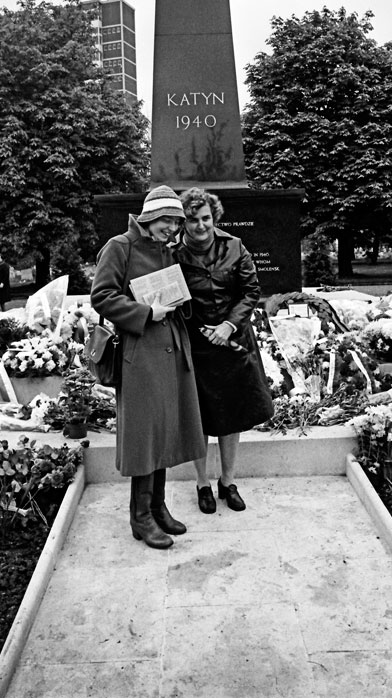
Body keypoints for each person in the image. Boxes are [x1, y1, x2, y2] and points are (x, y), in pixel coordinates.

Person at [90, 186, 206, 549]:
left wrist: (177, 300)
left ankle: (158, 507)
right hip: (140, 355)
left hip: (170, 350)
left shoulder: (165, 251)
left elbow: (170, 296)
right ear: (149, 217)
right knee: (145, 435)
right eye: (167, 220)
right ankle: (140, 518)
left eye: (176, 222)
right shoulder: (119, 246)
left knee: (165, 431)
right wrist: (146, 313)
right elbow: (102, 295)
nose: (171, 228)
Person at [175, 187, 274, 514]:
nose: (200, 225)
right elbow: (169, 299)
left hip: (232, 345)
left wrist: (229, 325)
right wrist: (195, 326)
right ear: (184, 222)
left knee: (232, 418)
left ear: (214, 217)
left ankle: (227, 482)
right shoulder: (173, 254)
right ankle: (202, 483)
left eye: (206, 218)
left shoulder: (235, 246)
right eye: (193, 219)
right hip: (195, 349)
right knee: (199, 418)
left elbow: (250, 290)